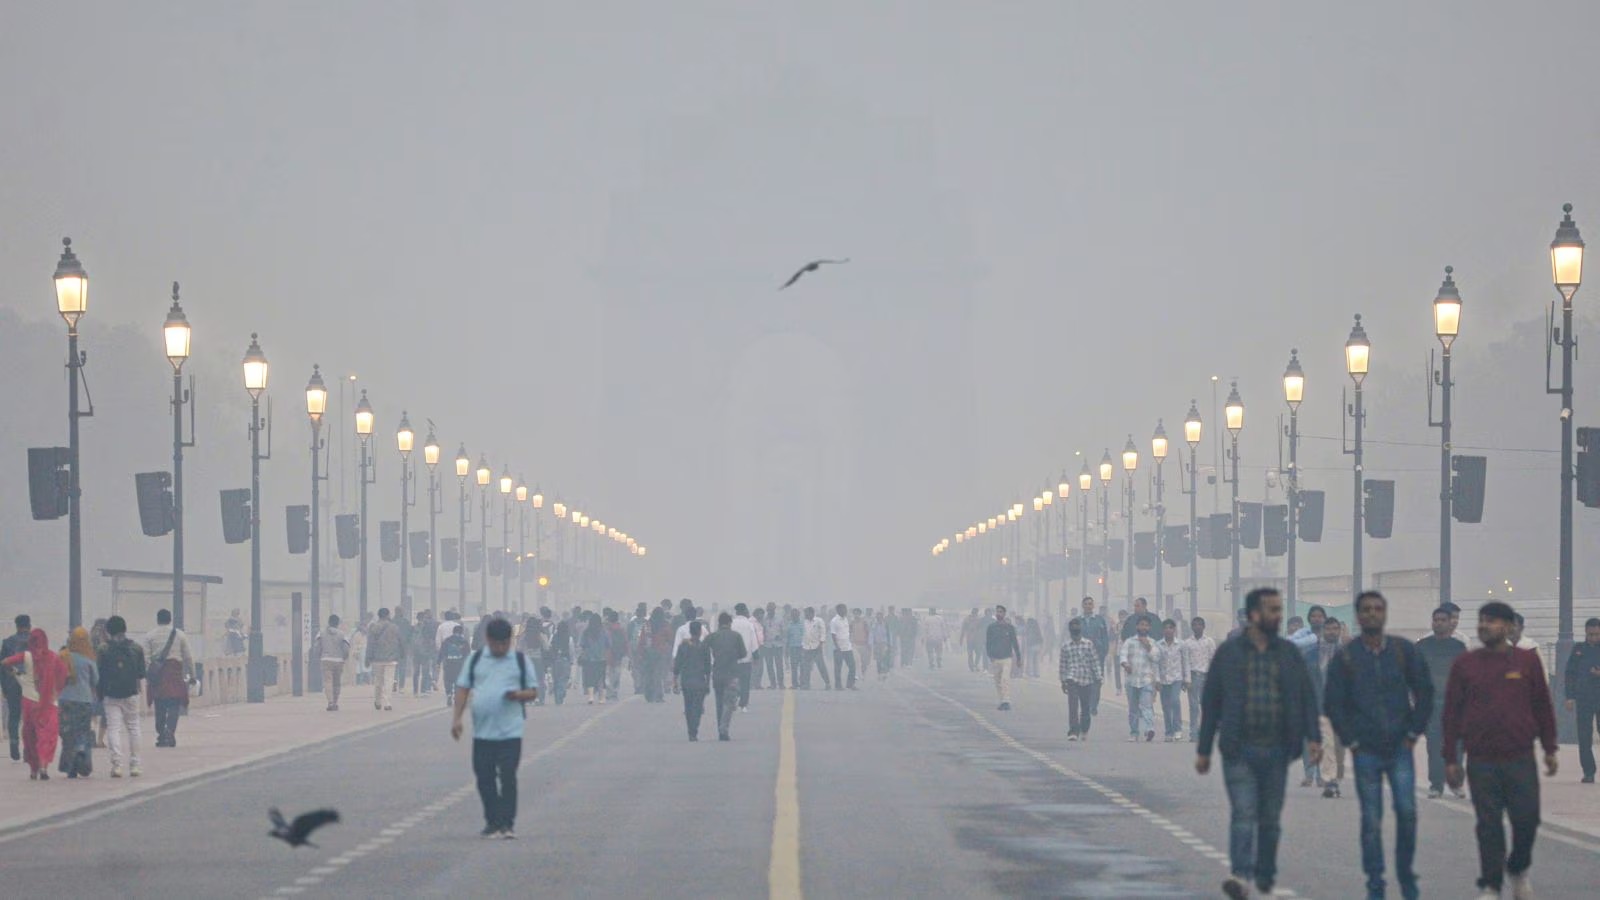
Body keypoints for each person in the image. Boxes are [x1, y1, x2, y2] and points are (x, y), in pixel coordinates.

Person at [1196, 587, 1321, 900]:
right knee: (1243, 811)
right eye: (1271, 610)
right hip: (1238, 747)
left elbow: (1305, 697)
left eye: (1279, 610)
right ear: (1253, 615)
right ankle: (1240, 874)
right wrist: (1204, 748)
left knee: (1269, 816)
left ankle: (1264, 870)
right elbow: (1211, 699)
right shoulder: (1230, 652)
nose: (1277, 616)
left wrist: (1313, 738)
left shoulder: (1289, 653)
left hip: (1278, 748)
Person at [1443, 601, 1559, 900]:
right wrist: (1451, 758)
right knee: (1489, 824)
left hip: (1520, 757)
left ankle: (1518, 868)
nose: (1484, 626)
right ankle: (1492, 885)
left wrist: (1549, 748)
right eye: (1481, 621)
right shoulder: (1465, 664)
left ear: (1508, 627)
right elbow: (1452, 713)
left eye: (1492, 621)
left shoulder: (1526, 662)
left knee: (1527, 820)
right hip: (1481, 760)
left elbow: (1542, 706)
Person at [1323, 591, 1432, 900]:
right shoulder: (1347, 656)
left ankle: (1406, 876)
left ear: (1384, 614)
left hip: (1400, 746)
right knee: (1371, 819)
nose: (1372, 614)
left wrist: (1414, 733)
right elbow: (1333, 701)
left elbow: (1424, 691)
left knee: (1407, 812)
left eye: (1378, 609)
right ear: (1358, 617)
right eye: (1366, 610)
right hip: (1365, 750)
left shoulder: (1403, 651)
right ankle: (1375, 882)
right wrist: (1351, 740)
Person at [451, 617, 538, 839]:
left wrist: (518, 695)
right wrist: (457, 719)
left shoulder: (520, 661)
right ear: (488, 640)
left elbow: (533, 691)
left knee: (508, 776)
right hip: (483, 732)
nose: (500, 648)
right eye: (496, 643)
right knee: (484, 778)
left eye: (504, 643)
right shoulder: (476, 659)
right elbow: (462, 688)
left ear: (510, 640)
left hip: (511, 731)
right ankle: (492, 820)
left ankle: (507, 823)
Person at [1, 628, 68, 780]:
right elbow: (64, 674)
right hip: (49, 703)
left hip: (29, 701)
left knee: (31, 736)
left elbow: (5, 662)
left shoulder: (26, 656)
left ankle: (33, 770)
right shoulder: (53, 657)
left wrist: (17, 674)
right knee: (47, 735)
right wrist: (56, 691)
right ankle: (43, 767)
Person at [1416, 606, 1468, 797]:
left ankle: (1455, 783)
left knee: (1457, 747)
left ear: (1450, 623)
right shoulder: (1422, 647)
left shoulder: (1458, 648)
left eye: (1442, 620)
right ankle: (1436, 785)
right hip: (1431, 706)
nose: (1438, 623)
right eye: (1435, 620)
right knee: (1434, 746)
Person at [1303, 616, 1347, 797]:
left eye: (1335, 629)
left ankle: (1335, 778)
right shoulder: (1311, 654)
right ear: (1322, 631)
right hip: (1320, 705)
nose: (1332, 632)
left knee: (1339, 747)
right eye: (1328, 629)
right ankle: (1330, 780)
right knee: (1327, 743)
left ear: (1339, 631)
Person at [95, 616, 144, 778]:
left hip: (111, 694)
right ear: (125, 628)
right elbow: (141, 674)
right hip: (131, 693)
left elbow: (99, 673)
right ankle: (135, 765)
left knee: (114, 729)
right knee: (134, 728)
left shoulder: (103, 649)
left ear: (108, 631)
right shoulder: (136, 648)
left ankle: (117, 766)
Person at [143, 609, 193, 747]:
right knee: (174, 705)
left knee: (159, 705)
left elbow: (146, 659)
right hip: (175, 672)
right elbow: (188, 657)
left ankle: (161, 734)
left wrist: (150, 675)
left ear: (157, 620)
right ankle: (170, 731)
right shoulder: (179, 635)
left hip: (158, 675)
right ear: (170, 619)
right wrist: (193, 675)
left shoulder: (149, 636)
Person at [57, 627, 98, 778]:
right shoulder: (89, 659)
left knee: (67, 732)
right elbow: (96, 680)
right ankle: (81, 751)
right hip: (84, 700)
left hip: (65, 699)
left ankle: (70, 766)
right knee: (82, 731)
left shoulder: (63, 656)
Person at [1564, 617, 1600, 784]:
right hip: (1584, 699)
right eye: (1590, 634)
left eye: (1597, 634)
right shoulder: (1578, 650)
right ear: (1586, 633)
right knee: (1584, 737)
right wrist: (1569, 696)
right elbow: (1570, 674)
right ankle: (1588, 771)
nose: (1593, 637)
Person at [706, 612, 748, 741]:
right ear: (730, 623)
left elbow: (702, 649)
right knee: (729, 703)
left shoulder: (713, 636)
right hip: (732, 674)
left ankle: (720, 728)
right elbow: (743, 654)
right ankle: (723, 728)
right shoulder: (736, 636)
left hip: (717, 673)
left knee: (719, 702)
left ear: (719, 623)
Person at [1059, 618, 1102, 740]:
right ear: (1070, 630)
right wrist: (1063, 681)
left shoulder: (1088, 644)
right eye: (1073, 626)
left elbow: (1094, 661)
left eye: (1077, 626)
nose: (1075, 628)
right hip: (1072, 680)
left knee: (1085, 707)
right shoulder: (1066, 646)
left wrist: (1098, 677)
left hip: (1087, 679)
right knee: (1073, 707)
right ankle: (1073, 731)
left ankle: (1084, 728)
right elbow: (1063, 665)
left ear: (1080, 628)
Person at [1120, 615, 1158, 742]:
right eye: (1141, 624)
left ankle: (1149, 729)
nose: (1143, 627)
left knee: (1146, 706)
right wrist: (1125, 665)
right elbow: (1123, 655)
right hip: (1131, 680)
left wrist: (1148, 647)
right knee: (1133, 708)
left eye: (1146, 625)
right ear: (1137, 626)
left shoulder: (1152, 642)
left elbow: (1156, 658)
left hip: (1146, 680)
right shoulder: (1129, 642)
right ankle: (1134, 732)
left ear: (1149, 627)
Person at [673, 620, 712, 741]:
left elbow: (677, 666)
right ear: (700, 632)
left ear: (690, 631)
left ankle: (691, 731)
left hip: (686, 681)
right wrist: (708, 682)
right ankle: (694, 729)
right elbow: (708, 667)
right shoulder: (704, 647)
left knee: (688, 706)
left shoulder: (683, 646)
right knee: (698, 707)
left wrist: (675, 681)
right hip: (700, 681)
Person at [1, 614, 31, 761]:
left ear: (16, 625)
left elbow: (2, 667)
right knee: (29, 717)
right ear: (29, 625)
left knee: (14, 715)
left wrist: (4, 688)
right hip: (30, 685)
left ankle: (14, 743)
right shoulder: (36, 642)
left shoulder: (7, 643)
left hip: (12, 683)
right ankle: (28, 748)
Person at [1182, 617, 1216, 743]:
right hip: (1193, 677)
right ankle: (1193, 733)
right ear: (1192, 627)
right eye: (1195, 625)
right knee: (1193, 707)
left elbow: (1213, 660)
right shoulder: (1187, 643)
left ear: (1203, 626)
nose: (1197, 627)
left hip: (1206, 676)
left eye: (1199, 625)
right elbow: (1185, 662)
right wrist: (1187, 679)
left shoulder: (1209, 641)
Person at [1154, 619, 1188, 742]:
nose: (1168, 630)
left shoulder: (1181, 644)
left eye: (1170, 628)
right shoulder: (1158, 645)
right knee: (1166, 706)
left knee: (1175, 701)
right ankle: (1168, 731)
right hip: (1163, 679)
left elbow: (1185, 662)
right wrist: (1157, 679)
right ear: (1162, 630)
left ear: (1174, 630)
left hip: (1176, 678)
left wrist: (1187, 679)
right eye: (1166, 628)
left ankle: (1178, 729)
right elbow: (1156, 664)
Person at [986, 605, 1024, 711]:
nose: (999, 614)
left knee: (1005, 679)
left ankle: (1006, 700)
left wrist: (1019, 658)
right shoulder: (991, 628)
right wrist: (990, 655)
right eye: (997, 612)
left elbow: (1015, 643)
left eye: (1001, 612)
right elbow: (988, 643)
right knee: (997, 680)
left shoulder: (1010, 628)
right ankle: (1002, 700)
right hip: (995, 658)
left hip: (1007, 657)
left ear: (1004, 614)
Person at [1077, 598, 1111, 713]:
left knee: (1097, 680)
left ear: (1093, 606)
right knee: (1083, 681)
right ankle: (1085, 703)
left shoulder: (1099, 620)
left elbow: (1105, 637)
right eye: (1086, 604)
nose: (1088, 606)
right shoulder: (1078, 621)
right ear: (1082, 606)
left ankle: (1093, 704)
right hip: (1082, 656)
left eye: (1090, 604)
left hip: (1097, 655)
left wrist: (1104, 651)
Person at [366, 607, 403, 711]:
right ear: (388, 615)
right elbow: (400, 642)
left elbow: (370, 644)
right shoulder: (395, 627)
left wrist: (368, 658)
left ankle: (378, 701)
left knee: (378, 681)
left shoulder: (373, 627)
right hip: (391, 658)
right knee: (389, 681)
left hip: (377, 658)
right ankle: (387, 703)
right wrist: (402, 653)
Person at [315, 614, 350, 711]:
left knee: (328, 681)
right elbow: (346, 649)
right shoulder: (342, 634)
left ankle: (330, 702)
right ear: (338, 623)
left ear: (329, 622)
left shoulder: (321, 633)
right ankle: (335, 702)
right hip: (339, 660)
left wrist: (319, 656)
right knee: (337, 683)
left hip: (326, 659)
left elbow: (317, 647)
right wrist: (344, 657)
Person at [731, 603, 760, 709]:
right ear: (744, 611)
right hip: (746, 659)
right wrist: (756, 656)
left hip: (733, 659)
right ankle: (743, 704)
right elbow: (754, 642)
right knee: (745, 682)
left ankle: (733, 698)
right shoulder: (749, 624)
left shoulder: (731, 623)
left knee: (733, 680)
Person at [578, 612, 610, 705]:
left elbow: (582, 645)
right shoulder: (604, 632)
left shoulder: (586, 632)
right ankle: (602, 698)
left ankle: (591, 697)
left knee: (590, 678)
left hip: (589, 658)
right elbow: (608, 645)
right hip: (602, 658)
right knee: (601, 679)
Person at [437, 624, 471, 708]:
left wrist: (438, 662)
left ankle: (449, 694)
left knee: (448, 680)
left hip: (448, 663)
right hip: (459, 664)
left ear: (453, 632)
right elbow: (467, 654)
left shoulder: (447, 641)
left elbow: (442, 652)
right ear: (461, 632)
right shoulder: (463, 641)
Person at [829, 604, 856, 691]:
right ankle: (838, 685)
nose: (845, 611)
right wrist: (837, 647)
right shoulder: (834, 621)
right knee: (838, 668)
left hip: (847, 647)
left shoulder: (846, 619)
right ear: (839, 610)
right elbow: (833, 635)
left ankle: (850, 684)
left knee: (852, 666)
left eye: (846, 609)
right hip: (838, 648)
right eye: (844, 609)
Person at [801, 607, 830, 689]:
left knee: (821, 666)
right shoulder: (804, 622)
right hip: (807, 647)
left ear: (811, 613)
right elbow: (803, 634)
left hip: (817, 647)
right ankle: (806, 684)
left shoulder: (819, 620)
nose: (805, 615)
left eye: (806, 613)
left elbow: (823, 633)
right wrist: (803, 645)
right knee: (806, 667)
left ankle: (827, 683)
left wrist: (821, 644)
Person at [784, 608, 805, 688]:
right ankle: (794, 683)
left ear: (798, 615)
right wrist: (786, 650)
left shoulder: (802, 624)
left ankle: (803, 682)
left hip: (801, 647)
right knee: (794, 667)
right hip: (793, 648)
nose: (794, 616)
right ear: (791, 616)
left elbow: (805, 636)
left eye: (796, 615)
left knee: (802, 666)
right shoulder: (789, 625)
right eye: (793, 615)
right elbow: (787, 638)